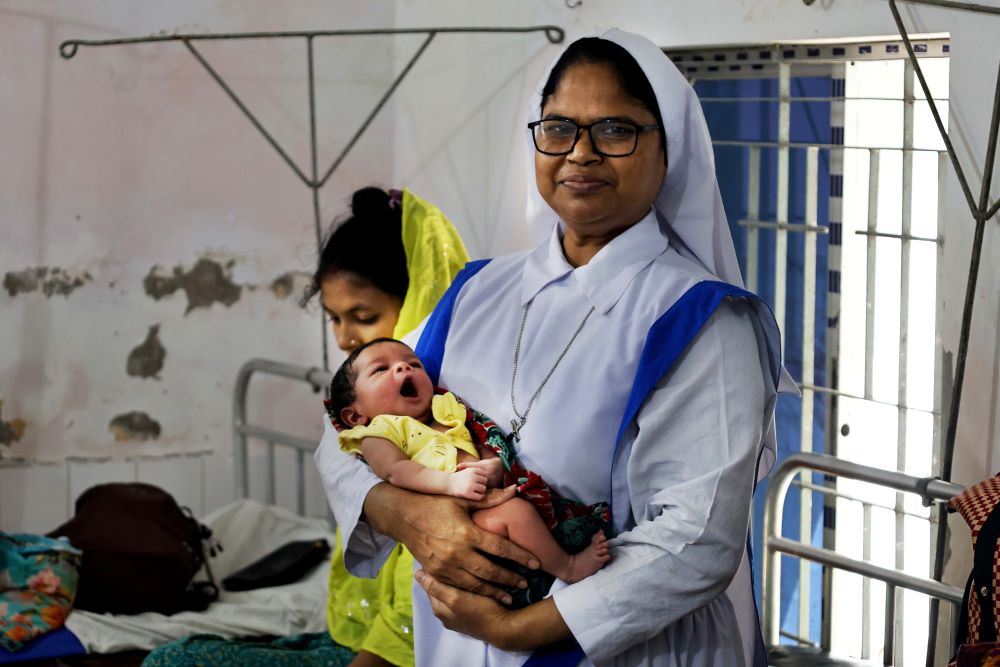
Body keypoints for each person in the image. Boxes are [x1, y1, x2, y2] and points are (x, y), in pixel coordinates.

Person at [316, 29, 793, 667]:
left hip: (618, 650)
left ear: (667, 149)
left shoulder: (704, 318)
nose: (582, 154)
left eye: (616, 130)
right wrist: (406, 514)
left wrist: (522, 629)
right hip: (456, 641)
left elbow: (695, 538)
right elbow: (348, 421)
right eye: (560, 128)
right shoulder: (478, 290)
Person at [329, 338, 610, 588]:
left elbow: (480, 442)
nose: (404, 369)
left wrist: (493, 465)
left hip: (481, 498)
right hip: (456, 520)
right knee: (517, 514)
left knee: (522, 512)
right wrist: (449, 483)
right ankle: (568, 567)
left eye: (413, 364)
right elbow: (395, 471)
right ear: (355, 415)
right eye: (380, 370)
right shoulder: (378, 432)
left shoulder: (445, 410)